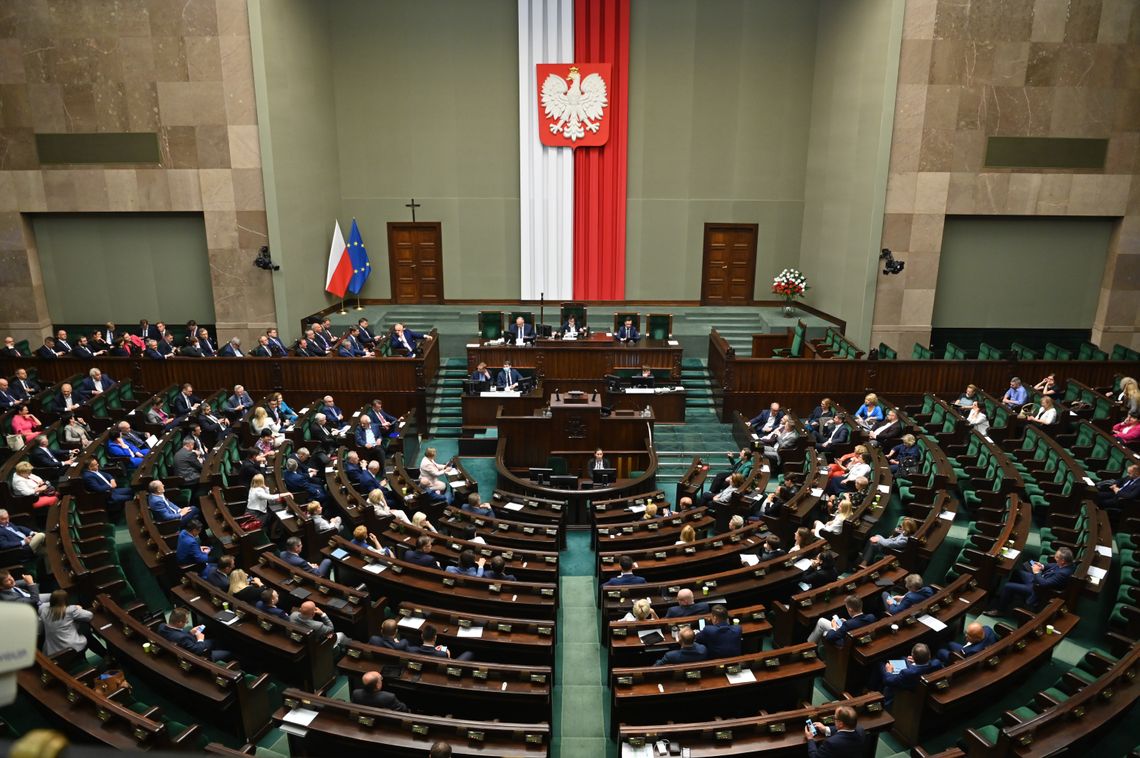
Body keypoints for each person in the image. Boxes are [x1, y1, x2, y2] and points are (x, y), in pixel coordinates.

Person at [986, 548, 1075, 615]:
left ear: (1063, 561)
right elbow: (1053, 566)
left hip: (1037, 590)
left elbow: (1044, 584)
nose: (1055, 558)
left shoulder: (1063, 573)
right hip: (1035, 581)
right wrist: (1042, 566)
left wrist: (1036, 572)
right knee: (1017, 572)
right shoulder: (1065, 564)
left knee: (1008, 586)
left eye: (1056, 557)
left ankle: (1000, 610)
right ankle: (1010, 597)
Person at [879, 642, 943, 707]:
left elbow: (888, 681)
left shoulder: (907, 673)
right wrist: (918, 660)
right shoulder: (936, 664)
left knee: (880, 663)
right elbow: (928, 664)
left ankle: (875, 691)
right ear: (929, 656)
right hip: (923, 686)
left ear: (912, 655)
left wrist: (889, 671)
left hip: (908, 691)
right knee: (903, 658)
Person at [40, 590, 100, 656]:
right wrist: (79, 609)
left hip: (52, 651)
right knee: (86, 632)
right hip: (71, 648)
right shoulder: (70, 610)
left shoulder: (44, 611)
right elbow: (89, 616)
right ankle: (106, 656)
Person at [158, 607, 230, 662]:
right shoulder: (182, 638)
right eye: (186, 621)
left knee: (215, 641)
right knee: (229, 653)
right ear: (179, 622)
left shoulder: (162, 626)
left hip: (184, 646)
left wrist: (190, 633)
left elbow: (179, 635)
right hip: (199, 657)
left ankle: (220, 646)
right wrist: (200, 639)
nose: (187, 622)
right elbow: (198, 651)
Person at [807, 595, 876, 646]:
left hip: (845, 645)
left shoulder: (848, 624)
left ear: (850, 609)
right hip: (858, 639)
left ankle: (808, 646)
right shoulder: (871, 617)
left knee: (822, 625)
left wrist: (834, 627)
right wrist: (847, 622)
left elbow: (830, 637)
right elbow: (858, 622)